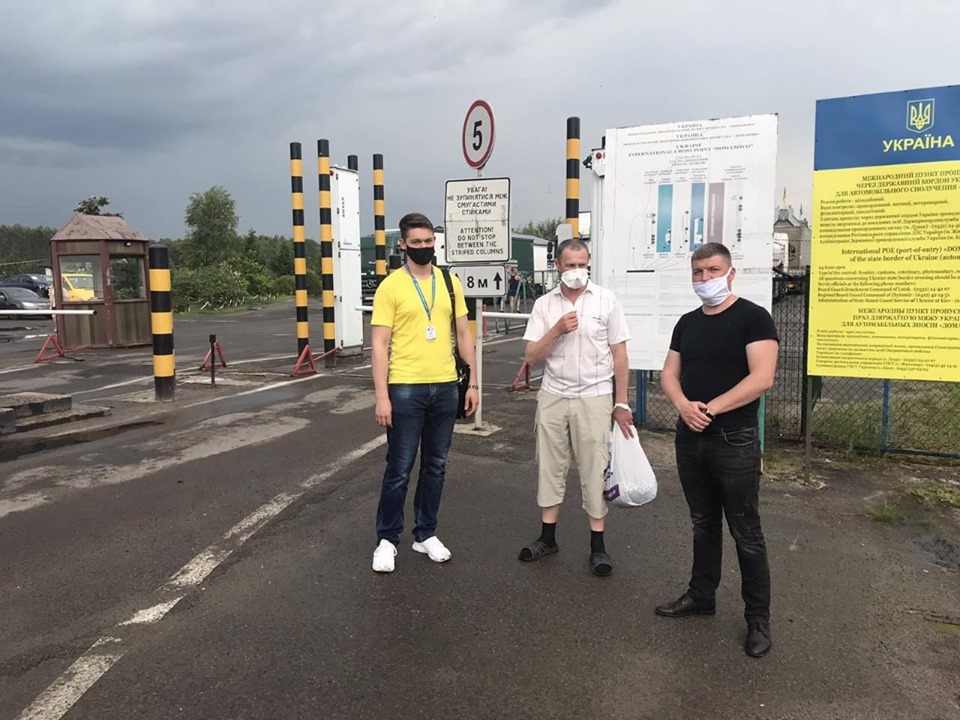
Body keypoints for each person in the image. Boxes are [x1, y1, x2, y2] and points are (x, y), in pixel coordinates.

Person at [656, 242, 779, 658]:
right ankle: (701, 595)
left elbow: (762, 377)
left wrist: (710, 408)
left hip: (734, 440)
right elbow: (669, 373)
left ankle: (757, 620)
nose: (705, 279)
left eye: (712, 270)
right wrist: (682, 405)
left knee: (746, 532)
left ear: (731, 273)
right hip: (690, 438)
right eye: (698, 272)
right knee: (703, 523)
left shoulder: (753, 318)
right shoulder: (687, 323)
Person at [370, 212, 479, 573]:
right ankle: (387, 539)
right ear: (403, 244)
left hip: (446, 387)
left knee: (436, 466)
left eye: (429, 241)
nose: (424, 247)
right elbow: (379, 344)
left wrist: (473, 383)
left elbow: (463, 333)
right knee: (399, 468)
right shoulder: (391, 287)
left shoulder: (449, 282)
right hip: (405, 387)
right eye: (416, 242)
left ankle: (425, 533)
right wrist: (382, 396)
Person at [518, 238, 633, 576]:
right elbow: (531, 356)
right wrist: (556, 330)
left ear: (589, 262)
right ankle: (547, 537)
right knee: (550, 466)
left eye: (582, 264)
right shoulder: (545, 305)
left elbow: (620, 355)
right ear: (557, 265)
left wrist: (621, 402)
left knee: (595, 468)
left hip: (595, 395)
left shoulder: (606, 300)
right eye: (570, 265)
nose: (576, 271)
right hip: (553, 394)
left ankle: (598, 545)